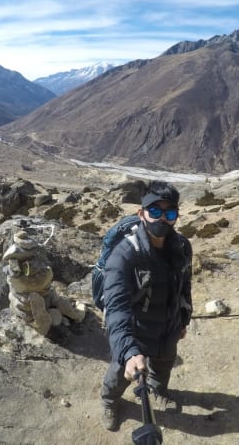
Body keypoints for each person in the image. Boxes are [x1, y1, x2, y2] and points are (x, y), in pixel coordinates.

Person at [100, 180, 193, 432]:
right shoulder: (124, 255)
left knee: (164, 363)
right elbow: (116, 308)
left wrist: (184, 318)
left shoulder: (182, 246)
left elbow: (185, 284)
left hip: (169, 325)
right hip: (136, 330)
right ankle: (109, 401)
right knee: (121, 371)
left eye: (169, 213)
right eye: (154, 211)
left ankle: (158, 390)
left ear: (176, 217)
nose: (161, 218)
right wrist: (129, 350)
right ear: (141, 213)